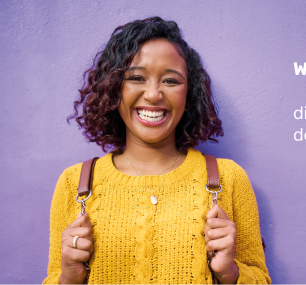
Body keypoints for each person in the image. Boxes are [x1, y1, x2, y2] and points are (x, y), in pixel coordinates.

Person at [43, 17, 270, 284]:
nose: (153, 94)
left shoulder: (228, 179)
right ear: (115, 89)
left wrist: (229, 272)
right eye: (136, 78)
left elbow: (261, 279)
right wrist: (69, 277)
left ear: (189, 95)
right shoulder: (75, 183)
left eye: (171, 81)